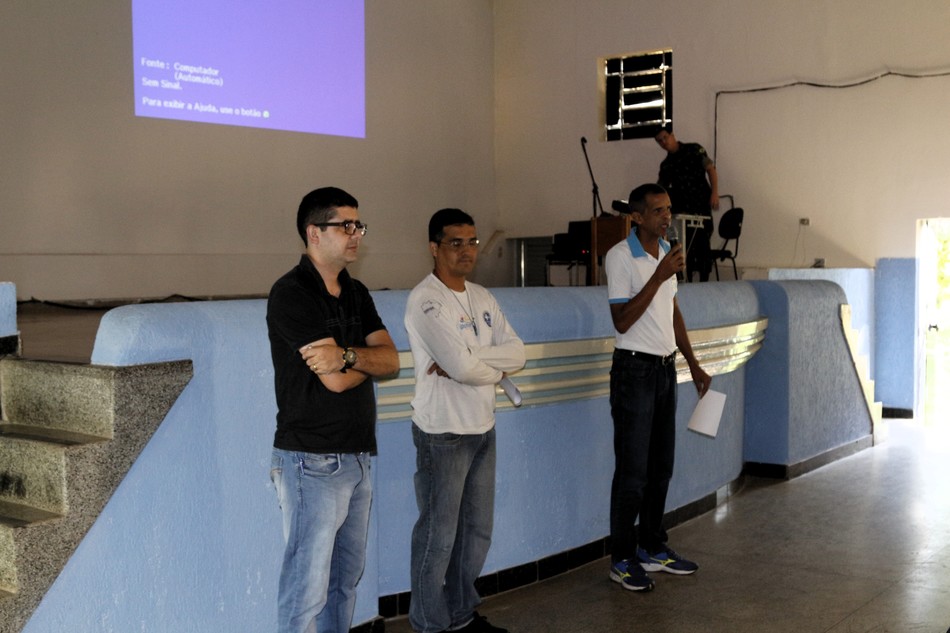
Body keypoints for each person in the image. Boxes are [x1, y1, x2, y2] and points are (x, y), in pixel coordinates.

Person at [266, 186, 399, 633]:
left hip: (357, 457)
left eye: (358, 225)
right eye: (346, 225)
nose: (356, 234)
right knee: (305, 591)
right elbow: (337, 381)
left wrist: (345, 355)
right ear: (314, 233)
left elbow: (391, 361)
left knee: (344, 583)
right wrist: (361, 360)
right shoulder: (291, 293)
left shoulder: (356, 292)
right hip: (311, 461)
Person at [404, 208, 526, 633]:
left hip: (482, 427)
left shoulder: (482, 296)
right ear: (433, 248)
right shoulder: (427, 300)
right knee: (438, 538)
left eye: (471, 241)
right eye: (455, 243)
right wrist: (483, 367)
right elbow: (461, 368)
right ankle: (429, 623)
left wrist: (473, 359)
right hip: (443, 433)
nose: (467, 250)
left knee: (475, 534)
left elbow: (517, 353)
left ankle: (459, 616)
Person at [604, 183, 712, 592]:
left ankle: (651, 546)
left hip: (666, 370)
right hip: (634, 372)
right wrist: (659, 274)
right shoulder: (620, 257)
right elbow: (621, 320)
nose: (667, 217)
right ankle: (621, 558)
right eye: (657, 211)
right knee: (632, 473)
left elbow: (673, 311)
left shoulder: (666, 251)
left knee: (660, 468)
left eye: (668, 209)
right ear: (637, 217)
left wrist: (693, 365)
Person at [655, 127, 720, 282]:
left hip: (700, 207)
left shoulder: (694, 150)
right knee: (682, 248)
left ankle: (704, 282)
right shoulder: (666, 165)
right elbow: (660, 189)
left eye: (665, 137)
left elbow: (710, 169)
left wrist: (715, 193)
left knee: (702, 245)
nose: (663, 142)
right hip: (680, 211)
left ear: (672, 135)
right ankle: (686, 281)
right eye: (659, 141)